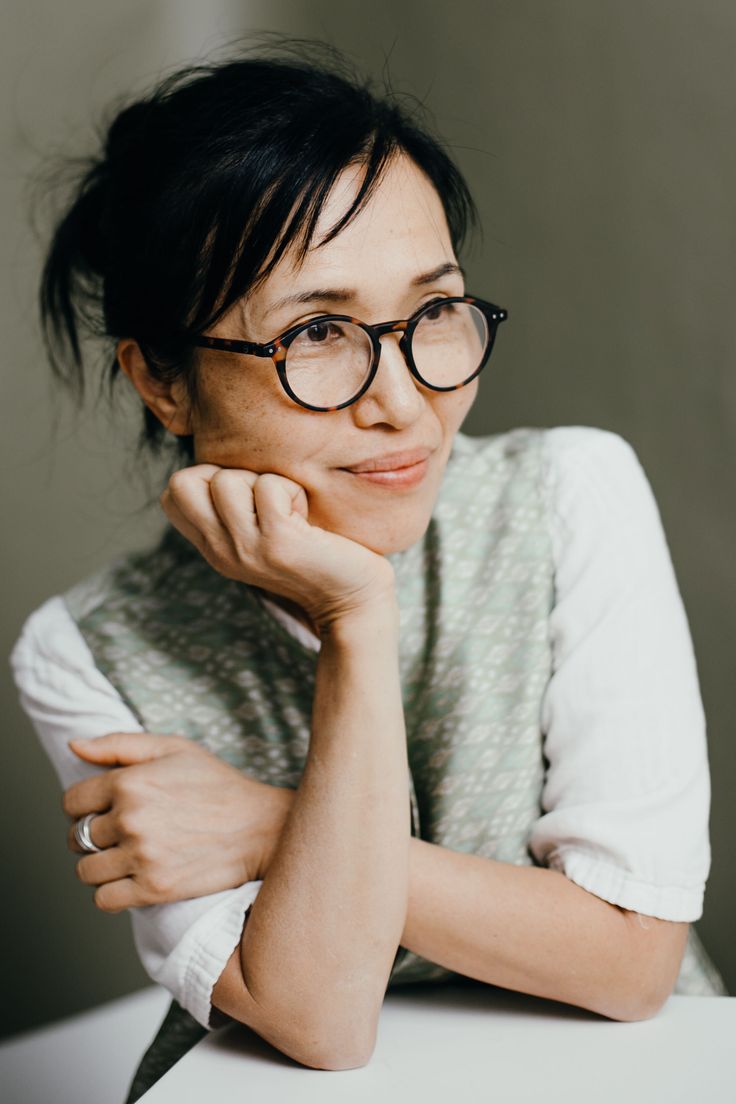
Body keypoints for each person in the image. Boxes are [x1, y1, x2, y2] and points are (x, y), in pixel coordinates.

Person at [9, 36, 727, 1103]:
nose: (402, 400)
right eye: (320, 333)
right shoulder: (86, 648)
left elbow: (630, 965)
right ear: (161, 378)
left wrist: (264, 822)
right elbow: (316, 1019)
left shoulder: (569, 493)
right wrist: (355, 618)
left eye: (433, 312)